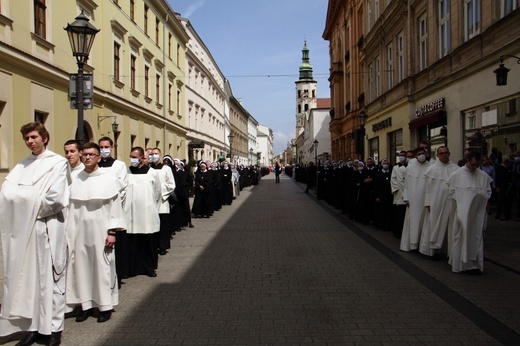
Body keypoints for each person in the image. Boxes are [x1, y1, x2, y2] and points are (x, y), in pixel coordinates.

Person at [0, 122, 70, 346]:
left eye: (33, 137)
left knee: (52, 280)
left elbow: (56, 199)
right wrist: (28, 198)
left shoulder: (58, 163)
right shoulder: (22, 165)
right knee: (30, 279)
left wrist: (24, 201)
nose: (30, 142)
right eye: (26, 139)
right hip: (26, 230)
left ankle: (54, 329)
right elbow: (6, 193)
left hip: (47, 227)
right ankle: (35, 328)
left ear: (45, 138)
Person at [65, 142, 126, 323]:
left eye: (92, 154)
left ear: (99, 157)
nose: (88, 157)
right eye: (84, 154)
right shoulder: (75, 178)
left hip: (101, 230)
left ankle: (105, 306)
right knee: (81, 268)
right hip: (79, 231)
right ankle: (86, 305)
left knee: (103, 268)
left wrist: (112, 232)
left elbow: (115, 208)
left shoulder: (108, 179)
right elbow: (70, 208)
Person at [448, 151, 492, 274]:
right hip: (462, 212)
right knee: (460, 237)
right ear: (467, 160)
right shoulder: (457, 174)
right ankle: (459, 264)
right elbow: (452, 192)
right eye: (472, 164)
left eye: (477, 165)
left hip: (477, 213)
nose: (474, 168)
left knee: (476, 236)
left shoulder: (482, 176)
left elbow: (487, 192)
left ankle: (473, 265)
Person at [124, 147, 161, 277]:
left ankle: (148, 267)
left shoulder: (152, 173)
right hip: (131, 214)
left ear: (141, 158)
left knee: (148, 242)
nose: (132, 159)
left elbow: (157, 192)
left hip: (147, 213)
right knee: (132, 243)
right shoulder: (127, 172)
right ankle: (133, 268)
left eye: (134, 157)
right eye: (131, 156)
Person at [98, 137, 128, 288]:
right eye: (101, 147)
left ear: (111, 147)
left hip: (114, 209)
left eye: (106, 147)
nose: (103, 150)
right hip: (97, 212)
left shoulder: (119, 165)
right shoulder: (95, 166)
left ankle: (118, 275)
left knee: (116, 246)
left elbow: (122, 186)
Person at [419, 146, 459, 258]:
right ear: (437, 155)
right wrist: (428, 203)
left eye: (446, 153)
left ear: (449, 153)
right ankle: (433, 250)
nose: (444, 155)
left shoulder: (456, 169)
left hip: (451, 201)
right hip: (435, 201)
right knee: (433, 224)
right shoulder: (432, 169)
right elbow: (427, 188)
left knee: (450, 225)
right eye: (442, 153)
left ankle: (448, 250)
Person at [400, 147, 432, 252]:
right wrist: (406, 198)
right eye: (419, 154)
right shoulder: (410, 168)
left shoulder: (431, 167)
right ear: (416, 156)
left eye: (423, 153)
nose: (422, 155)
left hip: (426, 199)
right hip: (413, 199)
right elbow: (406, 184)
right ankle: (413, 244)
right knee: (413, 221)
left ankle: (423, 245)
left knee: (425, 222)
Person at [149, 148, 175, 256]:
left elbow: (171, 185)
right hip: (150, 201)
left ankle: (163, 246)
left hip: (162, 201)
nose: (154, 156)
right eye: (152, 154)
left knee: (163, 225)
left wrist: (162, 193)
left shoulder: (166, 169)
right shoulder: (148, 169)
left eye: (156, 154)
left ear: (160, 155)